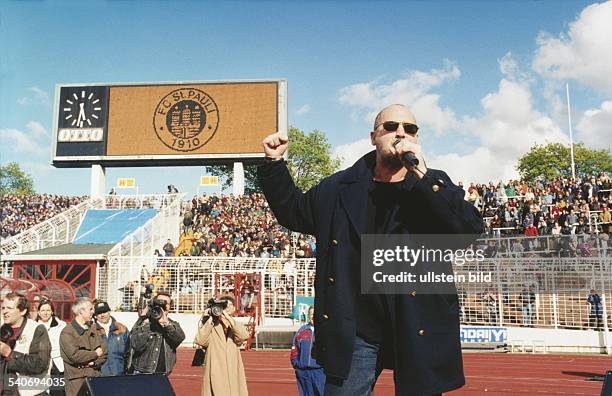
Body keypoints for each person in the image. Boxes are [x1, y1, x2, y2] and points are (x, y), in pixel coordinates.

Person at [257, 104, 483, 395]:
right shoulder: (340, 187)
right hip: (358, 329)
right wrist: (275, 165)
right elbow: (294, 212)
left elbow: (467, 231)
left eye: (410, 129)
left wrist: (424, 177)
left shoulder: (432, 183)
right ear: (373, 136)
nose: (401, 133)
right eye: (390, 126)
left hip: (417, 322)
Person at [195, 295, 249, 396]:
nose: (225, 308)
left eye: (228, 305)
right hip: (215, 369)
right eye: (223, 306)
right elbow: (200, 340)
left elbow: (244, 336)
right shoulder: (211, 325)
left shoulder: (235, 325)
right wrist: (210, 319)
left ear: (234, 308)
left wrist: (228, 318)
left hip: (233, 369)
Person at [0, 292, 52, 396]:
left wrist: (10, 354)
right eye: (3, 308)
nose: (4, 312)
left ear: (23, 311)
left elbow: (39, 364)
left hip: (26, 392)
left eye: (9, 308)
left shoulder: (37, 329)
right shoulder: (3, 329)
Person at [60, 298, 107, 396]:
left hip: (95, 378)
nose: (93, 312)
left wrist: (93, 362)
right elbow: (74, 355)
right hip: (77, 383)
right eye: (90, 309)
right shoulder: (67, 332)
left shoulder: (93, 329)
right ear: (81, 312)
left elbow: (104, 353)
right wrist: (94, 354)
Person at [130, 292, 185, 374]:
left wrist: (166, 324)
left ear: (170, 307)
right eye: (160, 302)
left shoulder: (172, 324)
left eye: (167, 303)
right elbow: (137, 345)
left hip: (162, 373)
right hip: (142, 372)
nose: (163, 306)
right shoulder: (144, 322)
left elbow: (179, 338)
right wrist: (145, 321)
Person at [291, 306, 325, 396]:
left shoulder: (324, 331)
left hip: (319, 372)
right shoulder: (302, 331)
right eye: (311, 314)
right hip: (303, 372)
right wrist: (296, 363)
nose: (313, 316)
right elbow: (294, 348)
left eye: (315, 314)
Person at [37, 297, 67, 396]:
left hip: (57, 365)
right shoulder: (33, 326)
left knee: (57, 392)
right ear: (38, 312)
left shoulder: (61, 325)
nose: (45, 313)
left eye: (48, 310)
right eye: (43, 310)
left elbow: (66, 345)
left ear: (52, 312)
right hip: (40, 365)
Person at [93, 300, 130, 376]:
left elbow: (129, 353)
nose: (102, 315)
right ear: (96, 315)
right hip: (99, 376)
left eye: (104, 311)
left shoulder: (122, 328)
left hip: (119, 375)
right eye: (99, 313)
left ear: (109, 312)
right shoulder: (92, 331)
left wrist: (126, 371)